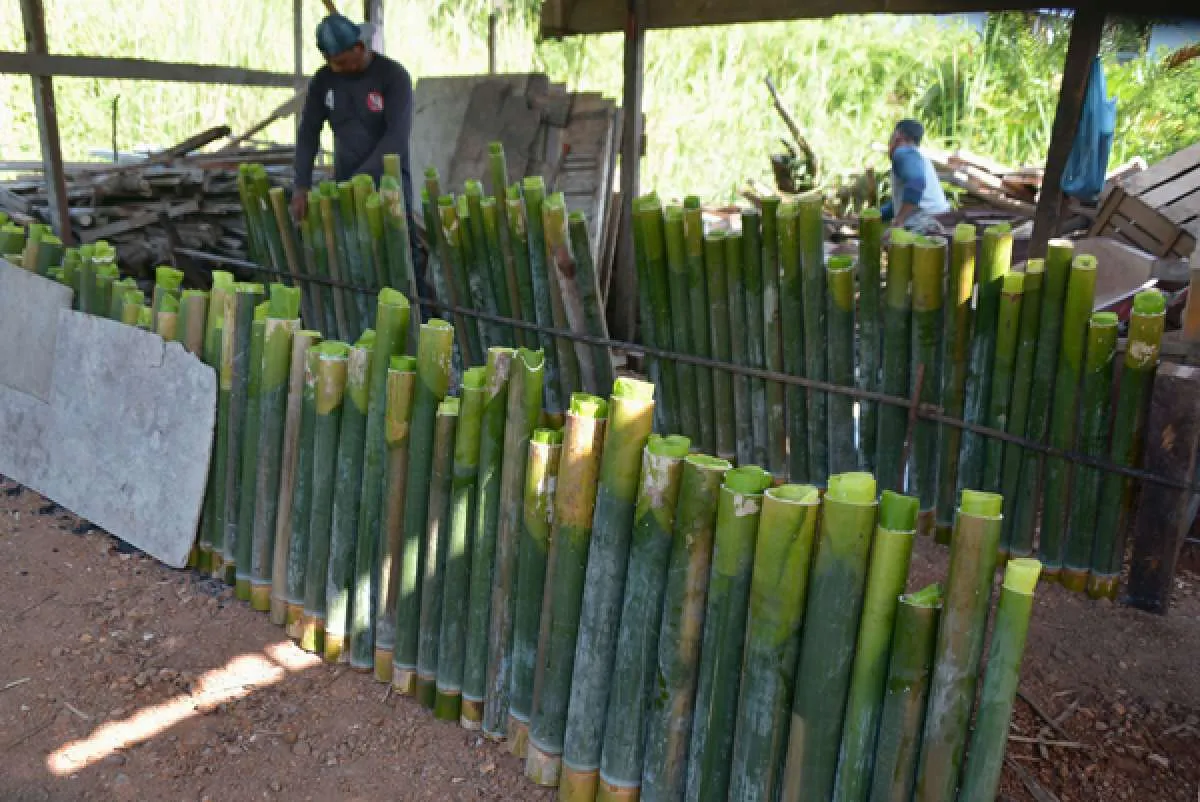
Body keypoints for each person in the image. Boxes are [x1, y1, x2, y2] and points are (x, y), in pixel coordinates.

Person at [289, 12, 414, 228]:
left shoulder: (393, 76)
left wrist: (361, 178)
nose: (337, 68)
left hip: (389, 186)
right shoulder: (323, 81)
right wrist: (301, 184)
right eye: (332, 63)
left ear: (360, 46)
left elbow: (396, 138)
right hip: (346, 186)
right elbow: (308, 133)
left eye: (343, 62)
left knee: (397, 252)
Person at [881, 119, 950, 235]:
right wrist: (876, 215)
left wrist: (899, 220)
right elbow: (904, 202)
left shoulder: (903, 153)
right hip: (938, 216)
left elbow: (916, 185)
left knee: (887, 241)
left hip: (925, 221)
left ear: (898, 136)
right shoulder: (917, 156)